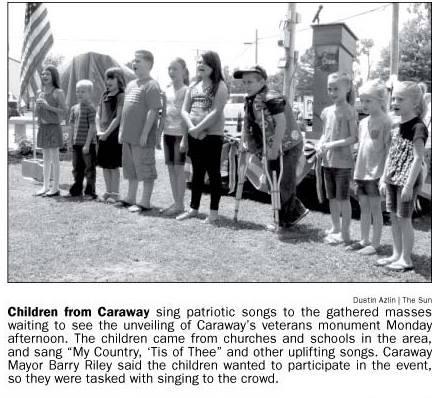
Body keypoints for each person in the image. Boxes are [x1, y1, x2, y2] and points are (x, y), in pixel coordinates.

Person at [233, 65, 309, 231]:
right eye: (244, 82)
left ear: (262, 81)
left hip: (288, 145)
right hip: (270, 147)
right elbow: (251, 123)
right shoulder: (251, 99)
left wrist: (274, 148)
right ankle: (291, 213)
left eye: (250, 82)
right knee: (271, 181)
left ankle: (285, 220)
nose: (246, 85)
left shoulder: (271, 97)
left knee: (283, 181)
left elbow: (281, 122)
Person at [377, 81, 428, 271]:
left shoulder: (418, 128)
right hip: (392, 178)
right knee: (394, 218)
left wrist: (408, 186)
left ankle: (406, 259)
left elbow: (418, 158)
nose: (394, 102)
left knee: (404, 219)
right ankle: (396, 254)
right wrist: (383, 177)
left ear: (414, 103)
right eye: (394, 98)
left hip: (407, 181)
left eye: (400, 99)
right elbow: (391, 153)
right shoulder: (397, 124)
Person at [176, 51, 228, 224]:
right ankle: (193, 209)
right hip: (194, 135)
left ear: (214, 65)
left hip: (212, 136)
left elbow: (216, 111)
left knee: (213, 174)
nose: (201, 65)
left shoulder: (220, 85)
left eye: (205, 62)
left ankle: (213, 213)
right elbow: (184, 110)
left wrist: (199, 128)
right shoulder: (193, 86)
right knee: (196, 173)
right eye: (198, 62)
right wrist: (192, 129)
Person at [348, 81, 392, 255]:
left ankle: (375, 243)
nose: (364, 104)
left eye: (368, 101)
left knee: (375, 209)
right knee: (363, 207)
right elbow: (361, 146)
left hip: (376, 173)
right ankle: (364, 240)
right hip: (361, 172)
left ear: (380, 100)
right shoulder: (363, 122)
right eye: (362, 100)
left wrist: (384, 176)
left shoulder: (386, 121)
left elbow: (388, 150)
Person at [115, 50, 162, 212]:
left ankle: (145, 202)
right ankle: (130, 197)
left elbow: (153, 111)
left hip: (142, 137)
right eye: (133, 61)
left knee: (145, 169)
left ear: (148, 64)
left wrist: (144, 133)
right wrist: (121, 130)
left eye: (138, 61)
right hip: (128, 136)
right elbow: (125, 112)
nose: (134, 64)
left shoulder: (152, 85)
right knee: (131, 169)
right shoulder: (130, 85)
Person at [316, 72, 358, 245]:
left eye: (336, 89)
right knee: (332, 197)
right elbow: (324, 135)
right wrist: (320, 145)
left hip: (343, 163)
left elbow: (353, 138)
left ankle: (345, 233)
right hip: (328, 161)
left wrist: (331, 145)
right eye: (329, 89)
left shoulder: (349, 111)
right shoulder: (326, 112)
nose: (332, 92)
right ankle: (335, 227)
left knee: (343, 199)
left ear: (347, 88)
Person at [159, 58, 189, 216]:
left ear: (184, 71)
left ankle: (180, 204)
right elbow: (163, 114)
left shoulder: (186, 91)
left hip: (180, 135)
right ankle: (176, 202)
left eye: (175, 69)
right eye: (169, 69)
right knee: (171, 170)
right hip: (167, 134)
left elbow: (186, 117)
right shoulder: (166, 90)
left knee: (179, 170)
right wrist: (159, 134)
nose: (171, 72)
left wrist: (185, 137)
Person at [34, 65, 67, 197]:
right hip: (43, 128)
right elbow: (38, 113)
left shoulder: (58, 92)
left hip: (54, 128)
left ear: (53, 76)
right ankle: (45, 186)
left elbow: (64, 112)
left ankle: (56, 187)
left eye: (47, 74)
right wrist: (38, 107)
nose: (44, 76)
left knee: (55, 158)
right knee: (45, 158)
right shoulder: (40, 93)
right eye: (43, 74)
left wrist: (48, 107)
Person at [95, 67, 125, 203]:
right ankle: (108, 191)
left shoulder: (121, 96)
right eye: (107, 78)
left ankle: (115, 193)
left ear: (119, 79)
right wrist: (99, 130)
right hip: (101, 134)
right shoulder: (104, 95)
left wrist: (107, 133)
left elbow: (118, 117)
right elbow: (98, 114)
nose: (108, 81)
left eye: (112, 78)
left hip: (113, 135)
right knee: (105, 166)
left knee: (113, 166)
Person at [68, 79, 97, 199]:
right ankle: (77, 188)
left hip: (88, 144)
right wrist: (70, 141)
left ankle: (90, 191)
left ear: (90, 93)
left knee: (89, 169)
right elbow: (71, 125)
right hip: (76, 143)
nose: (79, 94)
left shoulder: (91, 108)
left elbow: (92, 127)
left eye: (83, 92)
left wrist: (87, 144)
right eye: (78, 91)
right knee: (76, 167)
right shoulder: (74, 108)